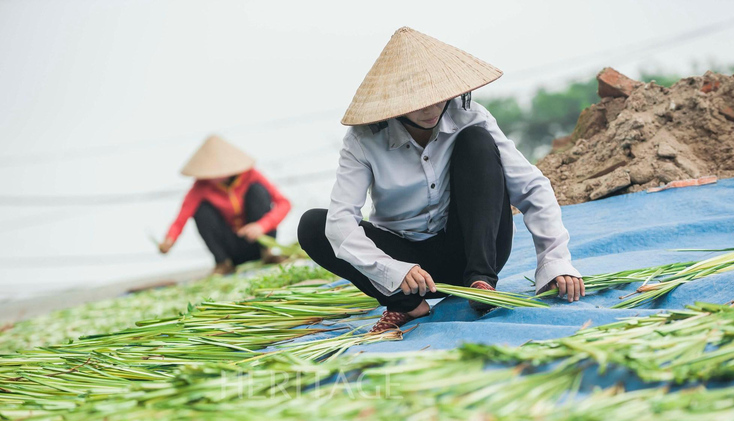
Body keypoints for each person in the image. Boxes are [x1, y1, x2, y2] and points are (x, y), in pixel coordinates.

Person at [298, 27, 584, 332]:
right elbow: (341, 224)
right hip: (408, 270)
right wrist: (392, 271)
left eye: (437, 98)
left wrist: (554, 262)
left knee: (476, 141)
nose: (430, 109)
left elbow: (531, 187)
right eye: (417, 101)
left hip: (473, 252)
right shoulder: (363, 140)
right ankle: (408, 305)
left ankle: (481, 283)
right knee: (313, 225)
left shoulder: (470, 116)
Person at [159, 135, 291, 274]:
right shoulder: (200, 186)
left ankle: (267, 253)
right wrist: (169, 240)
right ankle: (223, 262)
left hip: (257, 240)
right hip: (231, 248)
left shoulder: (251, 175)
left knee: (257, 191)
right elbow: (181, 219)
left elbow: (284, 203)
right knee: (201, 211)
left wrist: (261, 225)